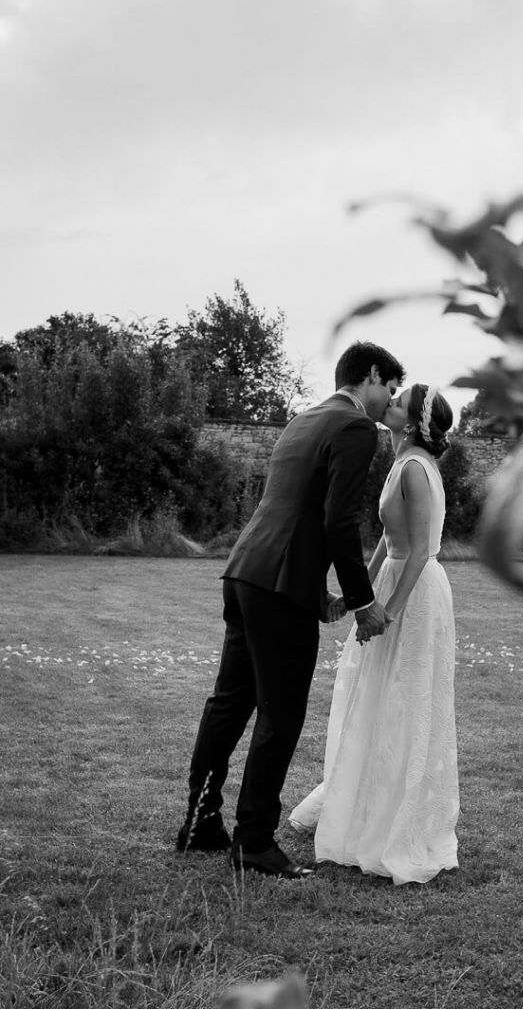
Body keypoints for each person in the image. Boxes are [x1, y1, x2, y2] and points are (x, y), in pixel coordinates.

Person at [176, 341, 405, 879]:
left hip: (247, 572)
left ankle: (200, 823)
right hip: (280, 588)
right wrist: (363, 602)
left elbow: (294, 510)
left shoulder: (302, 420)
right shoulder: (355, 427)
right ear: (372, 375)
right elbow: (338, 522)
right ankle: (254, 842)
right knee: (279, 715)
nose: (389, 402)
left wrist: (317, 588)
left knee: (229, 703)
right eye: (391, 389)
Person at [288, 383, 460, 885]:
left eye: (400, 401)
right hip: (389, 582)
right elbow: (388, 538)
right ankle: (360, 801)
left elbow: (422, 550)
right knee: (371, 694)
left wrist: (389, 611)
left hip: (415, 593)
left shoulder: (415, 468)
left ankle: (396, 819)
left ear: (413, 421)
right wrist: (357, 594)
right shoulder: (399, 460)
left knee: (404, 697)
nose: (391, 402)